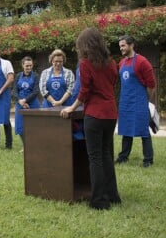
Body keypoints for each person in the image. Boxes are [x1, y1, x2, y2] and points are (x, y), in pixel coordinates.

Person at [61, 27, 121, 210]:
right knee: (106, 155)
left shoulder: (86, 64)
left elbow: (85, 91)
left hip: (95, 115)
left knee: (95, 158)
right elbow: (112, 84)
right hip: (111, 114)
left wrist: (71, 107)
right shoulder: (111, 63)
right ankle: (113, 196)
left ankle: (99, 201)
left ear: (84, 45)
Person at [115, 35, 156, 168]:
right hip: (125, 102)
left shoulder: (142, 62)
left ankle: (148, 160)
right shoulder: (121, 63)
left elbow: (151, 85)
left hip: (139, 102)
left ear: (131, 45)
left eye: (123, 45)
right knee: (126, 130)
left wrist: (146, 101)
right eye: (120, 46)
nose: (121, 48)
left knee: (144, 131)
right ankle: (123, 157)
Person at [12, 56, 40, 149]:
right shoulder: (18, 76)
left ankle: (33, 146)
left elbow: (36, 91)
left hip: (33, 104)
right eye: (27, 66)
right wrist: (20, 101)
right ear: (22, 65)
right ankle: (25, 146)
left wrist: (25, 100)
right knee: (20, 127)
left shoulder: (36, 76)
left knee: (34, 126)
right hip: (20, 104)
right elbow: (14, 91)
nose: (29, 68)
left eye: (30, 65)